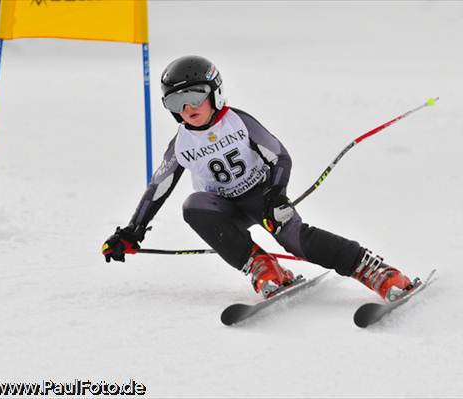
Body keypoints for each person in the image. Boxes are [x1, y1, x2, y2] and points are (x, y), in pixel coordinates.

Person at [102, 55, 418, 301]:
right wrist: (133, 229)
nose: (188, 108)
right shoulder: (181, 144)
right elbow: (159, 187)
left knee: (294, 239)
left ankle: (372, 269)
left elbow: (280, 156)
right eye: (176, 102)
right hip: (224, 209)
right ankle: (261, 266)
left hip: (262, 198)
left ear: (216, 92)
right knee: (192, 205)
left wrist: (276, 195)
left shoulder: (237, 122)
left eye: (196, 96)